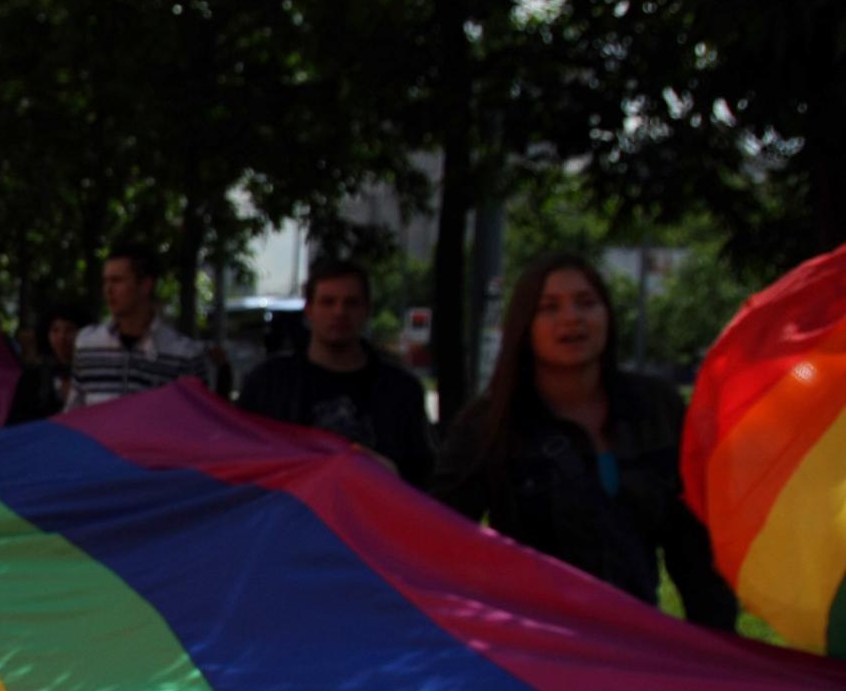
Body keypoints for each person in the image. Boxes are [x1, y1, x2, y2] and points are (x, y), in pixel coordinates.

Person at [433, 254, 737, 627]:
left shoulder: (658, 409)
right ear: (524, 326)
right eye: (549, 307)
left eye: (586, 302)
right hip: (538, 651)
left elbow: (694, 555)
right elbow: (436, 535)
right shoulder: (489, 424)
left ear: (607, 315)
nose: (572, 317)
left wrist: (720, 656)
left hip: (639, 644)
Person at [236, 256, 435, 486]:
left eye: (351, 303)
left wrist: (391, 475)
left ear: (367, 310)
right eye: (328, 302)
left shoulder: (401, 392)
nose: (339, 312)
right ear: (309, 309)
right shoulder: (268, 384)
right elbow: (242, 460)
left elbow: (423, 480)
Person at [67, 249, 212, 408]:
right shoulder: (88, 344)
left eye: (117, 280)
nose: (108, 290)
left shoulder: (184, 354)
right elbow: (75, 411)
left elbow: (197, 421)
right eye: (105, 281)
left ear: (145, 285)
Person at [10, 301, 87, 423]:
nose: (62, 337)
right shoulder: (32, 378)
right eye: (55, 330)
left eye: (69, 330)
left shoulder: (93, 374)